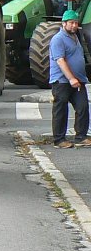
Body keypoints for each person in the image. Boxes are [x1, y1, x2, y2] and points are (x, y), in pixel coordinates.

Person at [48, 9, 91, 149]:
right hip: (62, 81)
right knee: (61, 109)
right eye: (71, 23)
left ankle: (81, 137)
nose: (74, 25)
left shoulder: (76, 36)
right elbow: (60, 61)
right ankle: (59, 140)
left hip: (78, 80)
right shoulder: (58, 39)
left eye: (75, 22)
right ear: (64, 23)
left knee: (83, 107)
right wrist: (71, 78)